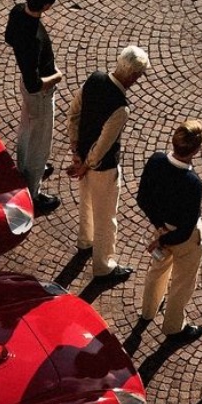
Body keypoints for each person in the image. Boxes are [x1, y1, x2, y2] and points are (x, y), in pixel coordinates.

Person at [66, 45, 150, 280]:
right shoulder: (121, 107)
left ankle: (85, 242)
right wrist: (86, 164)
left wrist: (76, 152)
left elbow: (74, 113)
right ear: (133, 76)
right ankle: (103, 266)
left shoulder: (94, 79)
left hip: (82, 156)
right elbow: (103, 144)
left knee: (86, 203)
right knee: (106, 218)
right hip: (102, 169)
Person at [136, 118, 202, 340]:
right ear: (195, 150)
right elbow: (186, 229)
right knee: (182, 283)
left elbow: (142, 198)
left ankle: (148, 311)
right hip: (183, 239)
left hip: (162, 228)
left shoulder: (156, 160)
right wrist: (164, 240)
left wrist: (159, 229)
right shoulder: (192, 183)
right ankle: (174, 326)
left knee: (157, 271)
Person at [4, 0, 64, 215]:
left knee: (27, 128)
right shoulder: (34, 39)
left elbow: (9, 37)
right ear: (47, 6)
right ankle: (33, 192)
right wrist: (56, 78)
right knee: (40, 140)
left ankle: (25, 168)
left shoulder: (18, 12)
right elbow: (34, 84)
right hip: (40, 95)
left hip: (29, 93)